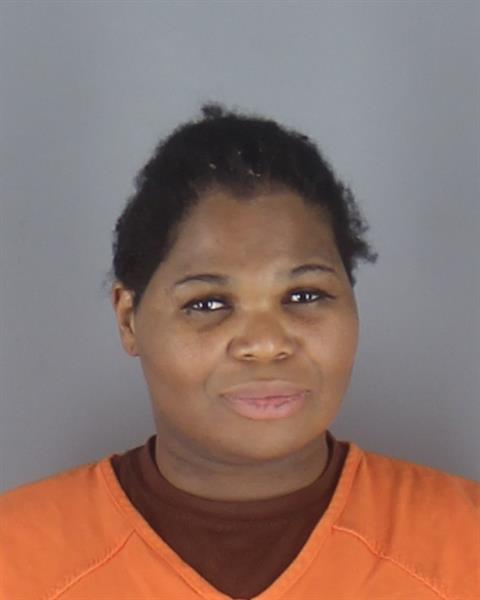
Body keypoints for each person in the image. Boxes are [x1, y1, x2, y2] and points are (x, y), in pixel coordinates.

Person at [1, 104, 478, 600]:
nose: (266, 343)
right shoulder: (14, 558)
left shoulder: (466, 545)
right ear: (128, 319)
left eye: (304, 295)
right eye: (208, 304)